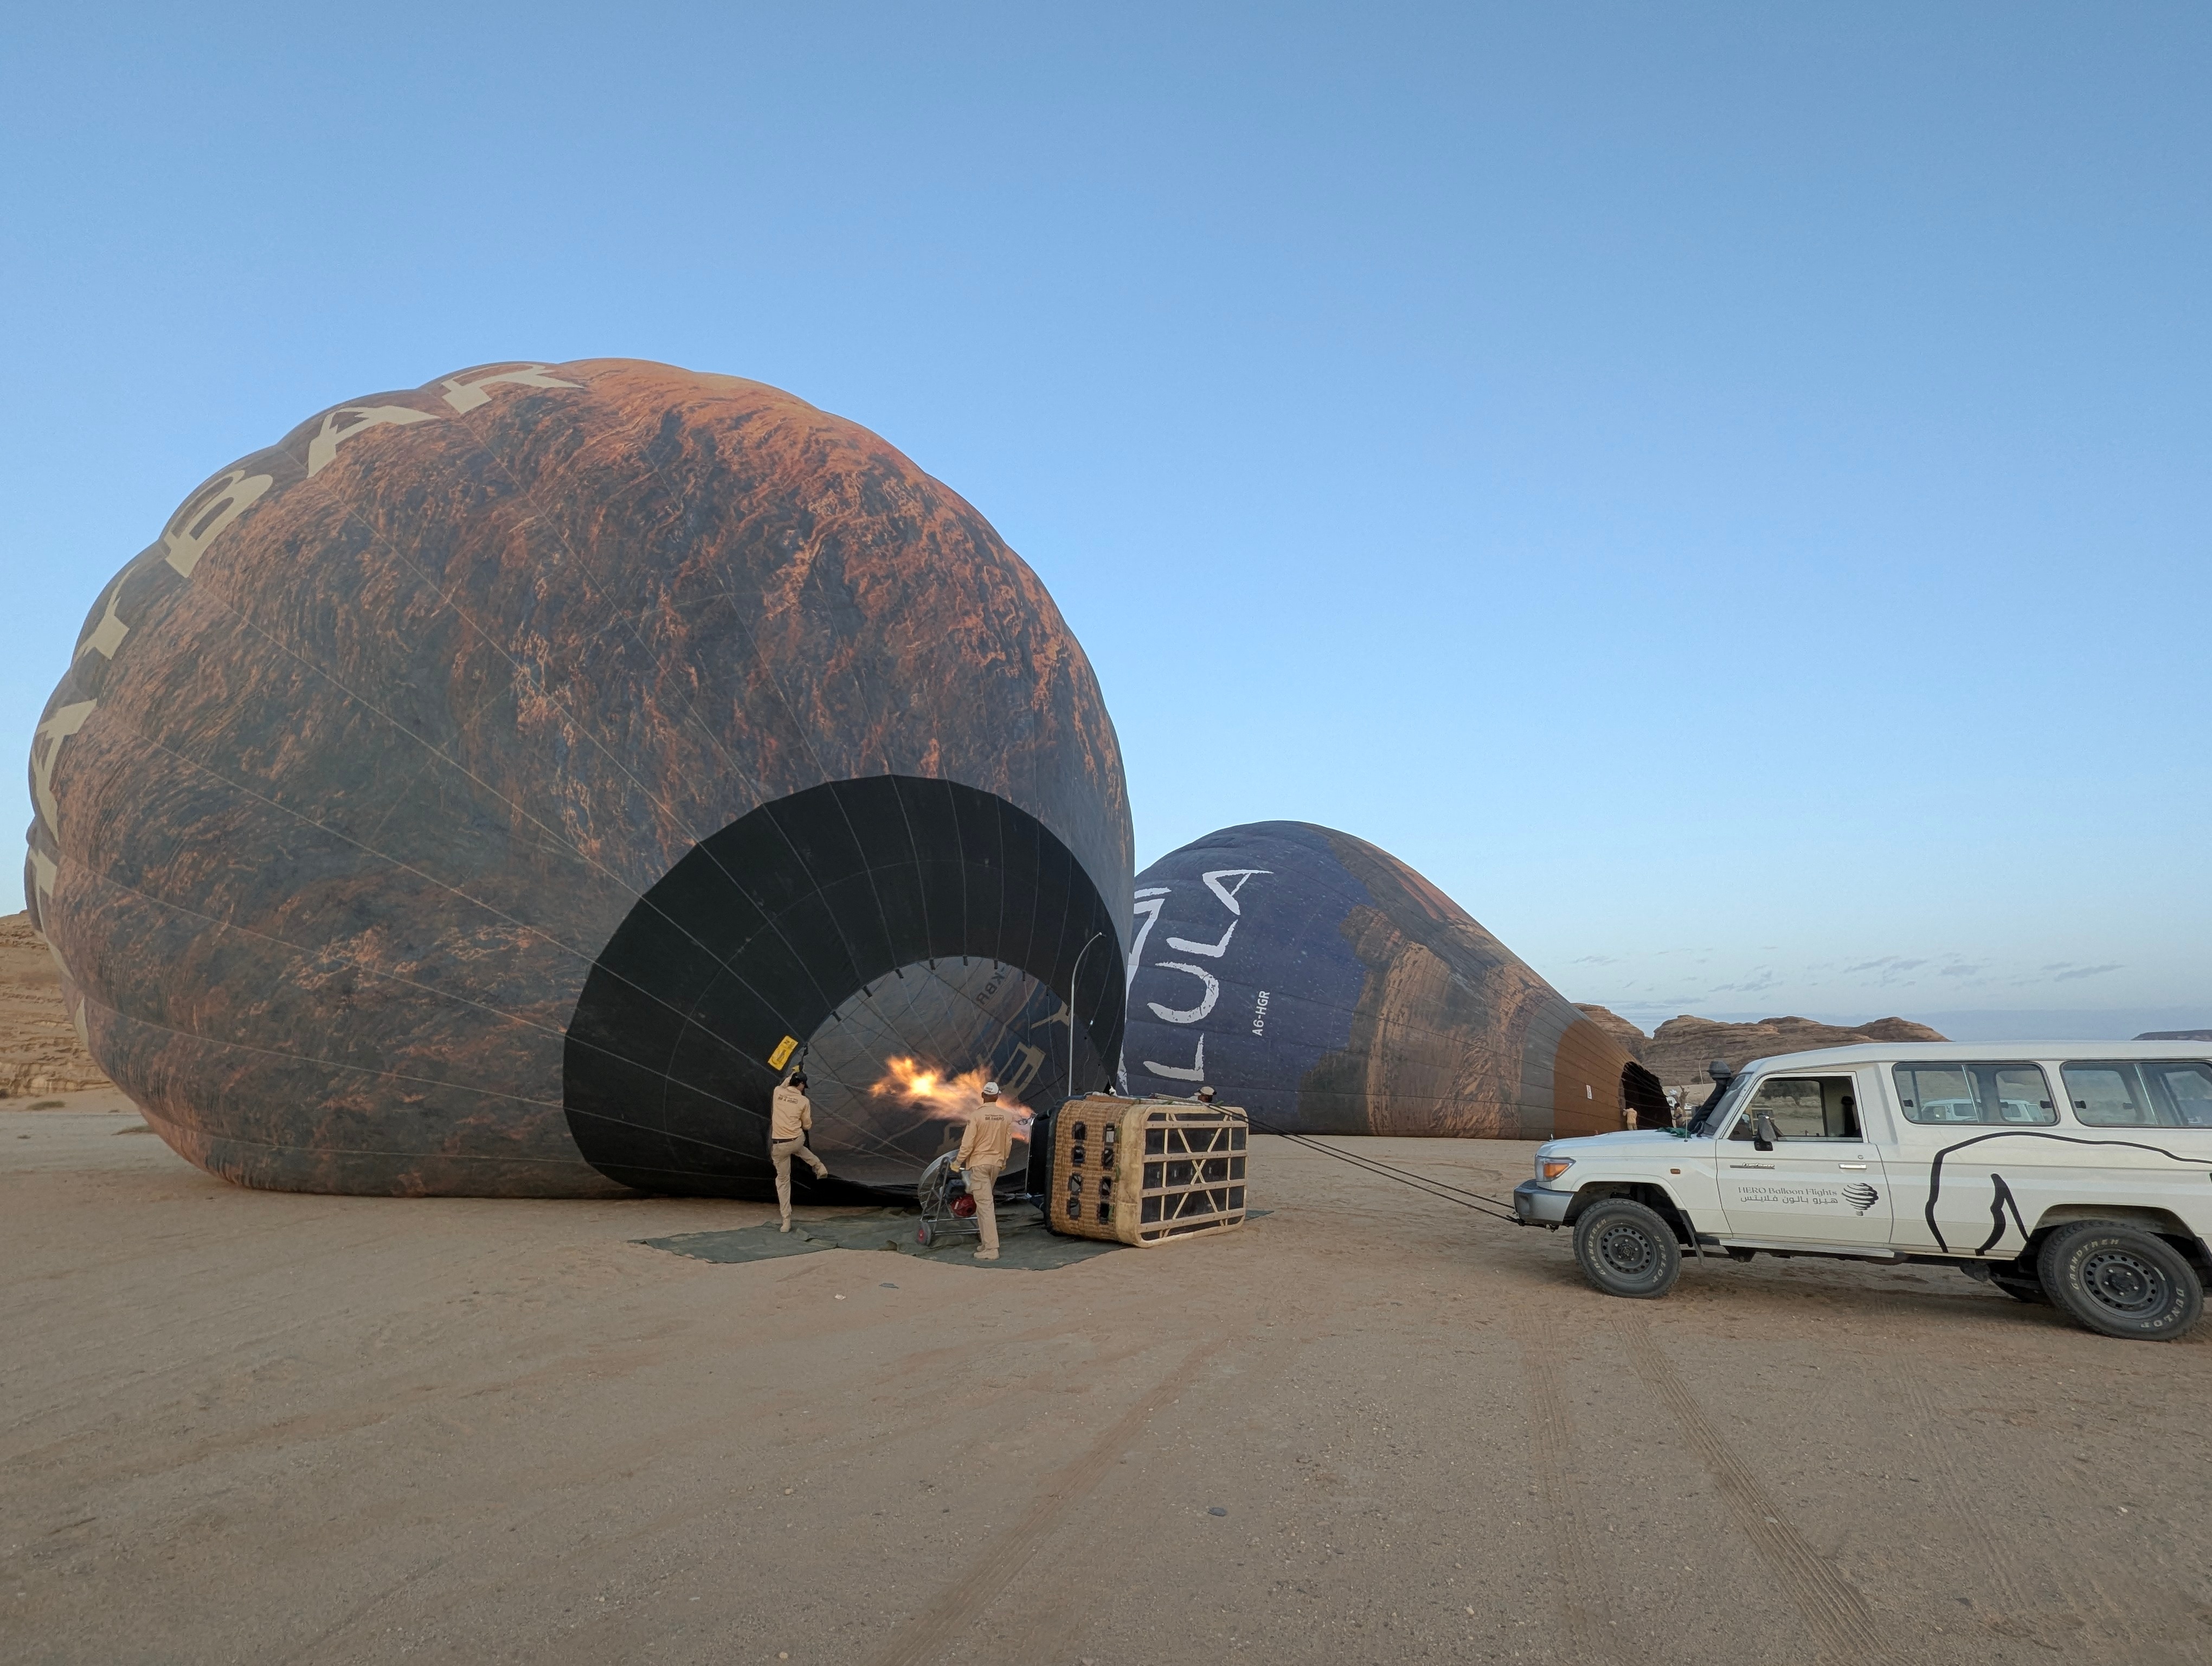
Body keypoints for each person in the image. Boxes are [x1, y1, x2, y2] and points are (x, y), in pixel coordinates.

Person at [953, 1081, 1015, 1261]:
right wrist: (1003, 1161)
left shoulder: (976, 1116)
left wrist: (958, 1162)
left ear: (983, 1096)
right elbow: (1008, 1143)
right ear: (997, 1097)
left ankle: (992, 1249)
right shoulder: (1006, 1116)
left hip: (979, 1164)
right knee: (983, 1205)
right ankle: (986, 1244)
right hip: (995, 1164)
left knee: (986, 1206)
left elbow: (968, 1144)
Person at [768, 1069, 831, 1232]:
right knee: (798, 1146)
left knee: (783, 1182)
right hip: (795, 1141)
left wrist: (793, 1074)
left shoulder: (777, 1092)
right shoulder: (804, 1102)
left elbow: (783, 1085)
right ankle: (818, 1166)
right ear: (802, 1085)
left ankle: (786, 1220)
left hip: (779, 1145)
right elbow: (807, 1126)